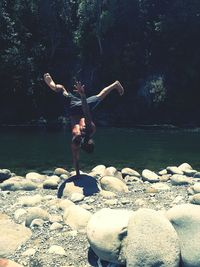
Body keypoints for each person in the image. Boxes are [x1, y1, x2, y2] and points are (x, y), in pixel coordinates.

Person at [44, 73, 124, 176]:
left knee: (61, 89)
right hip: (79, 106)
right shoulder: (88, 130)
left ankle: (52, 84)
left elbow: (75, 157)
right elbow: (86, 112)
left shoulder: (82, 135)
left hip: (73, 108)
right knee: (98, 96)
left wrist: (77, 174)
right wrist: (82, 95)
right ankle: (115, 84)